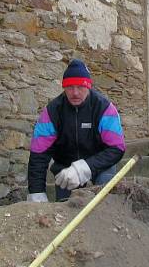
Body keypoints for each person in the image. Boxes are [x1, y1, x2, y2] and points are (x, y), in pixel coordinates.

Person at [27, 60, 125, 202]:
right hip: (66, 169)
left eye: (80, 87)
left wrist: (85, 167)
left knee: (105, 204)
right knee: (65, 209)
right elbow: (39, 154)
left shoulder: (104, 108)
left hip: (101, 164)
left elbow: (117, 148)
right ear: (63, 88)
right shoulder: (52, 112)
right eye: (69, 87)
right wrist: (36, 191)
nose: (75, 93)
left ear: (89, 86)